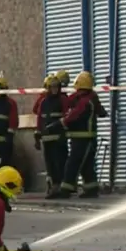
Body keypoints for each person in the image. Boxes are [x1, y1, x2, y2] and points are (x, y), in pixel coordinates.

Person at [45, 71, 100, 199]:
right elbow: (71, 101)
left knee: (73, 164)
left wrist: (56, 125)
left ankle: (65, 190)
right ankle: (92, 189)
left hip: (84, 140)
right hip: (82, 139)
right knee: (86, 165)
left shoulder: (85, 102)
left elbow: (72, 116)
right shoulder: (89, 98)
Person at [33, 74, 69, 197]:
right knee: (50, 165)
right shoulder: (43, 102)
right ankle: (52, 187)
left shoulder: (63, 100)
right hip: (47, 139)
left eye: (56, 87)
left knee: (60, 163)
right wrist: (37, 137)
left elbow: (67, 116)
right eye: (51, 87)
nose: (54, 89)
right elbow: (39, 120)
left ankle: (60, 188)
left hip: (59, 138)